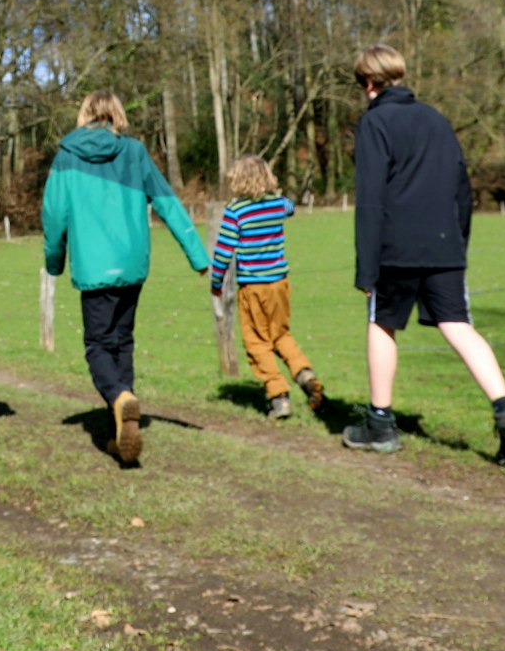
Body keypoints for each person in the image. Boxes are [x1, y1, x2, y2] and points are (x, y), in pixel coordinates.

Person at [343, 45, 505, 465]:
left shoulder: (374, 123)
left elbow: (371, 200)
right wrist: (457, 245)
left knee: (382, 323)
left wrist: (366, 267)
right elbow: (462, 191)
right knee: (459, 326)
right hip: (446, 243)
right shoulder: (437, 119)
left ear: (369, 83)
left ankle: (380, 424)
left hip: (396, 247)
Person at [41, 90, 209, 465]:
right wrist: (197, 254)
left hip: (94, 267)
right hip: (132, 265)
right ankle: (122, 426)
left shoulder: (67, 156)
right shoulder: (134, 152)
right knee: (123, 342)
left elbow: (54, 215)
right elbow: (166, 201)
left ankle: (119, 397)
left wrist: (54, 262)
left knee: (98, 346)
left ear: (84, 115)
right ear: (117, 114)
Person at [211, 154, 323, 420]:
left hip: (253, 288)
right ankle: (305, 375)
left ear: (238, 180)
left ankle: (278, 396)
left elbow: (223, 252)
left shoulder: (235, 211)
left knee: (256, 342)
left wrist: (216, 282)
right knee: (281, 334)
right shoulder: (277, 205)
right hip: (280, 284)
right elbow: (291, 207)